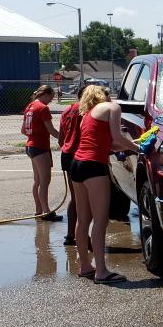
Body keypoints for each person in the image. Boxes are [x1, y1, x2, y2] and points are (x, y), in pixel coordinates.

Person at [71, 85, 139, 284]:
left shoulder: (88, 115)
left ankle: (85, 266)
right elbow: (117, 138)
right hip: (94, 167)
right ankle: (101, 271)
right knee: (101, 221)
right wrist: (139, 148)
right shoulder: (112, 107)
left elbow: (108, 144)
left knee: (82, 221)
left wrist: (133, 145)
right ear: (105, 95)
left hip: (77, 164)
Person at [21, 85, 62, 222]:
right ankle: (46, 212)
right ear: (46, 94)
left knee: (37, 181)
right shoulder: (43, 108)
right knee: (45, 181)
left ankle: (38, 210)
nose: (52, 100)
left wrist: (35, 134)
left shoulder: (30, 106)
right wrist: (66, 139)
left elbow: (23, 130)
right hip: (40, 147)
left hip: (30, 146)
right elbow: (52, 130)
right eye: (51, 96)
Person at [58, 85, 86, 245]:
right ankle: (84, 236)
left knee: (75, 197)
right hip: (82, 155)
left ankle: (70, 235)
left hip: (67, 155)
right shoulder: (88, 111)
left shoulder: (66, 111)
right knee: (87, 198)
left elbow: (61, 139)